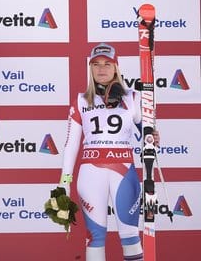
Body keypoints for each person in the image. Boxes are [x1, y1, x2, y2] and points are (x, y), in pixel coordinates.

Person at [59, 43, 160, 261]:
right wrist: (63, 182)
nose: (101, 69)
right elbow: (71, 145)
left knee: (131, 236)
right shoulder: (80, 100)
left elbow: (147, 134)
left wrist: (152, 137)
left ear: (116, 67)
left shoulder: (133, 98)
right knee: (94, 237)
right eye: (95, 64)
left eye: (107, 63)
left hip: (123, 171)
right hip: (90, 173)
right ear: (90, 68)